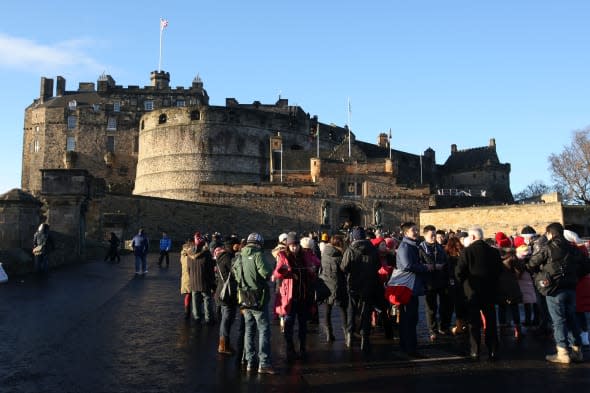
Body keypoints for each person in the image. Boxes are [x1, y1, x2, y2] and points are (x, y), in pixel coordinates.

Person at [528, 222, 584, 363]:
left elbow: (532, 263)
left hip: (554, 288)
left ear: (550, 233)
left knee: (558, 320)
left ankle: (563, 352)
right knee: (572, 319)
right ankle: (577, 350)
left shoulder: (548, 247)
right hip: (571, 287)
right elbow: (585, 264)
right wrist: (575, 276)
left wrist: (542, 274)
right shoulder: (572, 248)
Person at [456, 226, 502, 361]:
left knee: (474, 323)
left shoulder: (467, 252)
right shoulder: (494, 252)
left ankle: (475, 350)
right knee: (491, 322)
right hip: (490, 291)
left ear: (473, 237)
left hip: (472, 292)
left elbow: (459, 272)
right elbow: (499, 271)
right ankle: (493, 349)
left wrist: (462, 286)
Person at [233, 232, 277, 375]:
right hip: (258, 297)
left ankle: (250, 362)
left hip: (244, 298)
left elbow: (235, 274)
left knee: (249, 330)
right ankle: (263, 363)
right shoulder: (258, 255)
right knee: (263, 330)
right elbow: (265, 273)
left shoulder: (239, 256)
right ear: (259, 243)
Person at [273, 233, 317, 360]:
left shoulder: (305, 256)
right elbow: (276, 273)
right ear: (288, 246)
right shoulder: (283, 256)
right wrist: (286, 271)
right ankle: (290, 347)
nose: (294, 248)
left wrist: (312, 270)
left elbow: (313, 268)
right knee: (289, 323)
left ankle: (302, 347)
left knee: (303, 324)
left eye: (296, 245)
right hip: (290, 297)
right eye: (292, 245)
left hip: (303, 295)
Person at [340, 226, 380, 351]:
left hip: (354, 284)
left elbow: (344, 267)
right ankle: (365, 338)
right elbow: (378, 265)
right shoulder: (373, 249)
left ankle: (350, 336)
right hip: (369, 284)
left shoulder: (350, 249)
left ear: (354, 237)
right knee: (367, 311)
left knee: (351, 309)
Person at [396, 222, 431, 356]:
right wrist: (425, 267)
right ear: (406, 233)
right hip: (407, 286)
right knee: (409, 317)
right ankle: (410, 347)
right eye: (413, 230)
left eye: (417, 229)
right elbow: (407, 265)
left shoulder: (412, 245)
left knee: (411, 317)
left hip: (412, 286)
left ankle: (407, 344)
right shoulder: (405, 246)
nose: (416, 232)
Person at [419, 225, 451, 341]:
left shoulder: (440, 247)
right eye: (431, 235)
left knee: (444, 306)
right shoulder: (421, 248)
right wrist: (432, 266)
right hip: (429, 282)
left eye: (434, 235)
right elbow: (419, 264)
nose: (434, 237)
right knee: (431, 308)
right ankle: (432, 330)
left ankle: (443, 327)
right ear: (425, 235)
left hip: (442, 280)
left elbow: (445, 261)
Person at [319, 234, 348, 342]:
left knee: (327, 310)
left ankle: (329, 334)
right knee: (343, 310)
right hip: (338, 286)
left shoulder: (325, 253)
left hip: (326, 286)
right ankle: (347, 334)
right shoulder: (339, 256)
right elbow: (345, 269)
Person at [215, 236, 240, 355]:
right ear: (232, 245)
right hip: (228, 292)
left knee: (226, 318)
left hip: (222, 290)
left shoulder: (222, 256)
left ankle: (224, 343)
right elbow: (236, 272)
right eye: (237, 244)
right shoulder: (228, 258)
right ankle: (223, 345)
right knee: (227, 319)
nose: (239, 246)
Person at [187, 233, 216, 324]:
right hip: (205, 281)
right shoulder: (206, 254)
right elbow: (210, 270)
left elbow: (188, 269)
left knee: (195, 300)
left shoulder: (189, 254)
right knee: (207, 299)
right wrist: (212, 283)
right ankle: (208, 318)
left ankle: (197, 317)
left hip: (193, 281)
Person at [180, 237, 194, 320]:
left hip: (185, 276)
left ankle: (187, 312)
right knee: (194, 294)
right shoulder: (190, 253)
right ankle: (192, 313)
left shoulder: (183, 253)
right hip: (191, 276)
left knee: (188, 295)